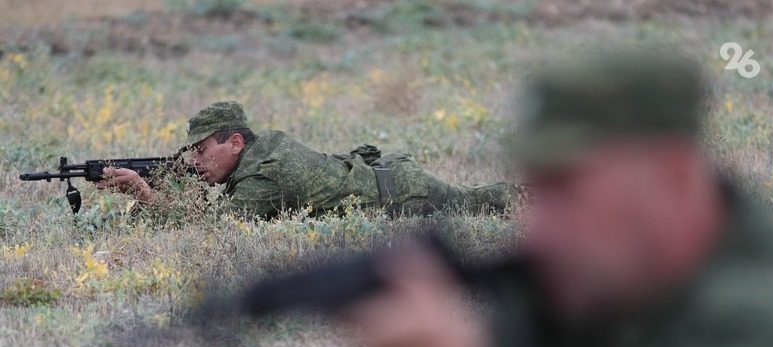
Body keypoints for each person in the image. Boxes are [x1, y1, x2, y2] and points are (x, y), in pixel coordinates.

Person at [345, 51, 773, 347]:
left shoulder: (769, 337)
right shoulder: (628, 295)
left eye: (566, 190)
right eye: (534, 190)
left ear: (673, 179)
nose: (536, 228)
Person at [95, 101, 514, 218]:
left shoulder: (267, 176)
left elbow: (211, 230)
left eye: (203, 151)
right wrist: (177, 180)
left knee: (484, 203)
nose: (197, 161)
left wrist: (146, 194)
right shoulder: (264, 146)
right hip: (385, 173)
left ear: (236, 142)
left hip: (403, 194)